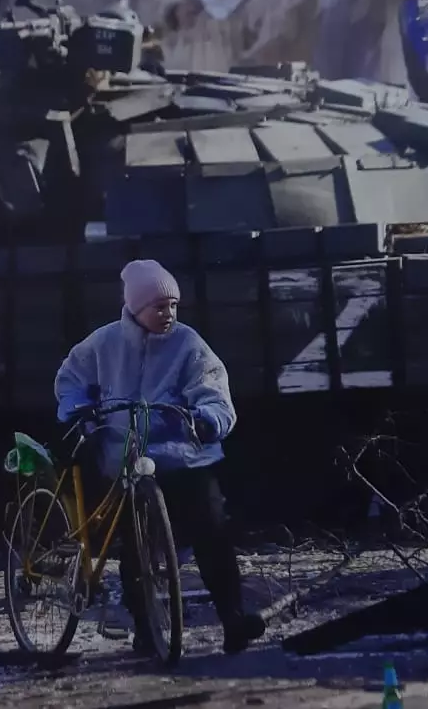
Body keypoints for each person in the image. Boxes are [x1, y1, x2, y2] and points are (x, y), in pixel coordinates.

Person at [54, 259, 267, 655]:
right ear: (136, 308)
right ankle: (146, 629)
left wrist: (207, 418)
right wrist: (78, 409)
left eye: (173, 306)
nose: (168, 314)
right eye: (158, 306)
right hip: (125, 457)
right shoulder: (103, 343)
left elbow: (213, 389)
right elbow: (70, 379)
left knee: (212, 527)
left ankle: (233, 618)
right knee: (136, 546)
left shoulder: (188, 344)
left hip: (184, 455)